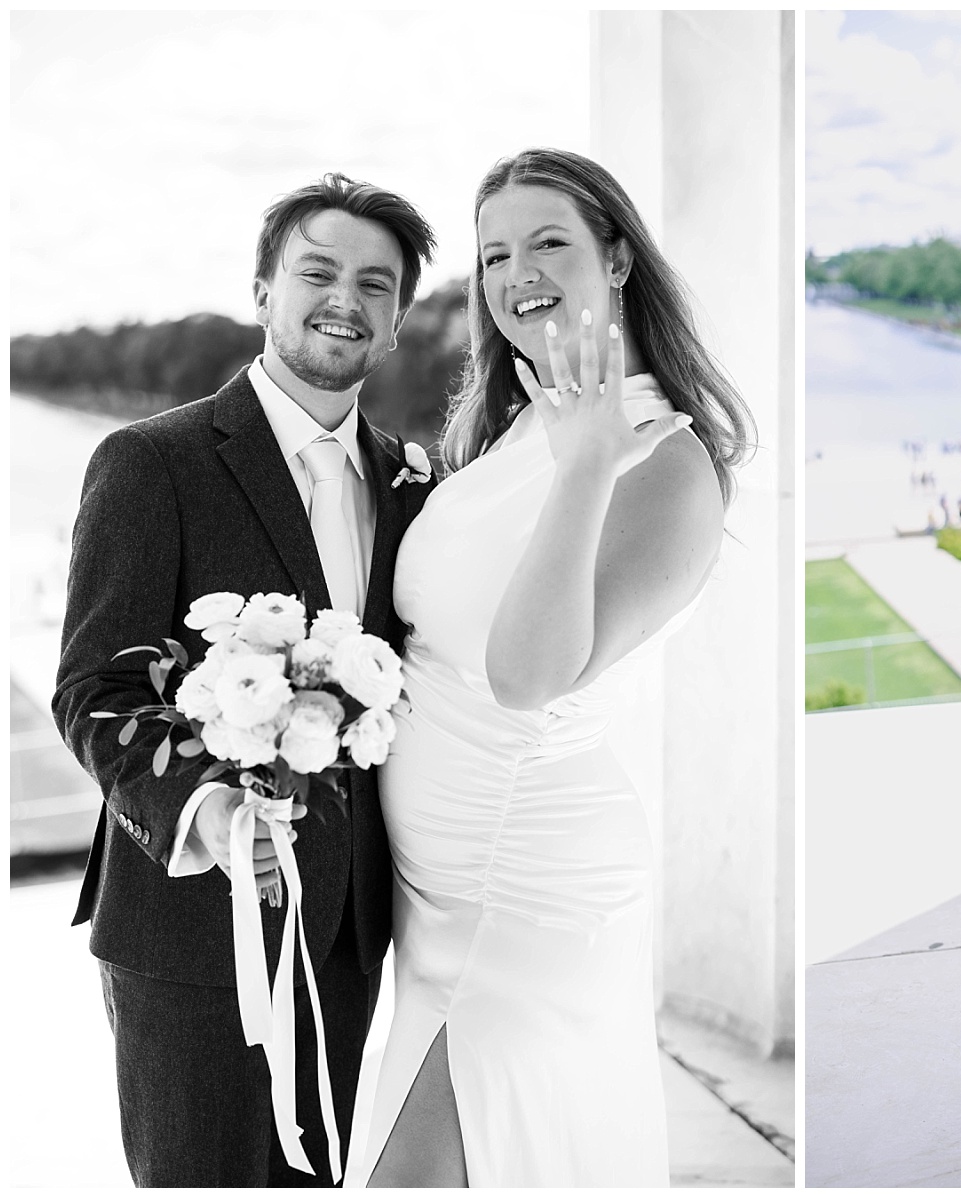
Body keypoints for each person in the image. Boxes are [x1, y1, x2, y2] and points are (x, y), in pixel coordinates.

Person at [343, 148, 755, 1186]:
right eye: (493, 254)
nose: (517, 270)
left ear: (615, 256)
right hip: (429, 899)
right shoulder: (516, 425)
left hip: (530, 899)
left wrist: (585, 465)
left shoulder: (665, 457)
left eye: (548, 241)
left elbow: (529, 673)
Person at [53, 173, 438, 1183]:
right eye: (317, 270)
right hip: (188, 937)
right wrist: (211, 812)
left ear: (397, 321)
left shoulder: (416, 486)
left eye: (376, 283)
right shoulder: (150, 462)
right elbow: (94, 686)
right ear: (262, 287)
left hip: (350, 931)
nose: (344, 299)